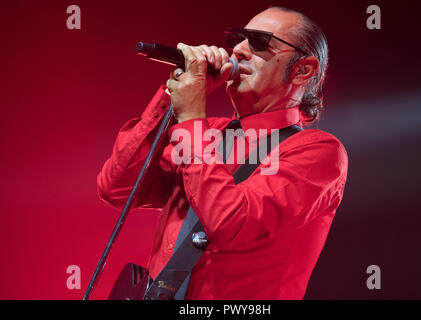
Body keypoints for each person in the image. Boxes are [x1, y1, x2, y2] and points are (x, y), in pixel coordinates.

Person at [97, 6, 348, 299]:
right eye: (237, 39)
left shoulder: (318, 153)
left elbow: (230, 223)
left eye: (258, 42)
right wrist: (173, 97)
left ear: (303, 69)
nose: (238, 50)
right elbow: (118, 188)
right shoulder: (206, 134)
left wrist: (190, 117)